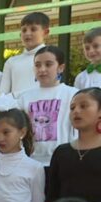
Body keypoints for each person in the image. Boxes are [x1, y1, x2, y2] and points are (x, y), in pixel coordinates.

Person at [47, 88, 101, 202]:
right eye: (72, 108)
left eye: (84, 106)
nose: (76, 111)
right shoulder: (61, 152)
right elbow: (52, 197)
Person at [18, 46, 79, 174]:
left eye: (48, 64)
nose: (42, 69)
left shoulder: (72, 94)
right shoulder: (24, 97)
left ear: (60, 68)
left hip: (64, 161)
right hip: (32, 162)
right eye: (37, 65)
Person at [0, 12, 49, 98]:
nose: (27, 33)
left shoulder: (53, 58)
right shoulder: (12, 62)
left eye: (33, 29)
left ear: (45, 32)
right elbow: (3, 94)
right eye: (24, 30)